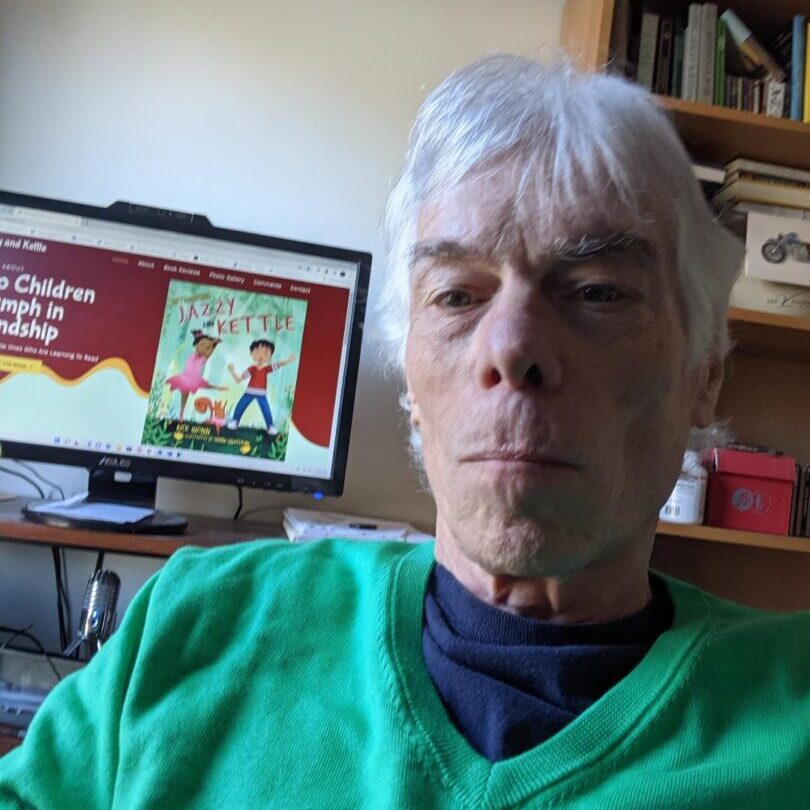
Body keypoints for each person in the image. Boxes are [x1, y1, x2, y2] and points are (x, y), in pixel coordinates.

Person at [1, 55, 808, 809]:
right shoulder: (194, 621)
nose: (512, 347)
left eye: (597, 292)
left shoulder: (790, 710)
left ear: (707, 371)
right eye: (457, 296)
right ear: (411, 385)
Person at [226, 338, 295, 435]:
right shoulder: (252, 368)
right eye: (257, 352)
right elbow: (239, 379)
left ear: (270, 356)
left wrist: (288, 360)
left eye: (266, 353)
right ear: (252, 353)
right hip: (249, 392)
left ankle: (270, 426)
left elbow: (278, 364)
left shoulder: (267, 368)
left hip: (261, 394)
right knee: (240, 406)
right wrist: (232, 371)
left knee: (266, 410)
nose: (261, 356)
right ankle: (234, 421)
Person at [165, 329, 226, 421]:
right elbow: (200, 349)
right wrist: (212, 342)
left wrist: (214, 343)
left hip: (191, 378)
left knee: (185, 394)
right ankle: (181, 413)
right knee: (184, 394)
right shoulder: (196, 354)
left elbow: (206, 353)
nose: (202, 347)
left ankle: (181, 413)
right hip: (186, 377)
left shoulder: (203, 357)